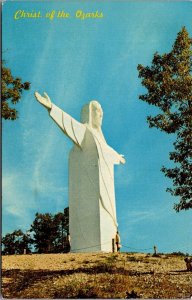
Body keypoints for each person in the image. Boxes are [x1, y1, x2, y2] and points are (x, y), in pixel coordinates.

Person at [34, 92, 125, 252]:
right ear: (89, 113)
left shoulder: (100, 140)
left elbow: (107, 151)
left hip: (105, 189)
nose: (101, 114)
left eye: (102, 112)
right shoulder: (85, 133)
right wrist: (51, 107)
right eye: (98, 111)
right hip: (89, 191)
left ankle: (112, 248)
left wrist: (117, 156)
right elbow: (68, 124)